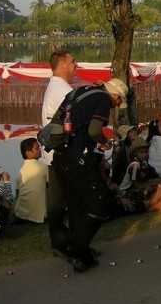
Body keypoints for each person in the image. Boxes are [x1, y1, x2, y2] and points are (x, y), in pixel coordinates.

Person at [51, 78, 127, 272]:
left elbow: (57, 120)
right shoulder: (102, 99)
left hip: (60, 156)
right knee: (99, 205)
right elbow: (94, 130)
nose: (116, 106)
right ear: (116, 95)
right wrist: (104, 141)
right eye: (118, 102)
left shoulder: (79, 91)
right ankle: (73, 247)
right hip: (79, 158)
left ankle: (82, 253)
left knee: (77, 204)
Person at [40, 50, 76, 256]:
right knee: (65, 200)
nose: (75, 66)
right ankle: (66, 242)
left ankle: (62, 241)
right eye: (72, 62)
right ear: (62, 65)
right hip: (63, 154)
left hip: (54, 154)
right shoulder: (62, 91)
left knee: (57, 200)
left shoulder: (54, 86)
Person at [13, 137, 48, 224]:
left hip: (20, 214)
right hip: (38, 217)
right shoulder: (44, 167)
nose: (40, 149)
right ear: (28, 153)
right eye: (37, 148)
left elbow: (17, 195)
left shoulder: (20, 172)